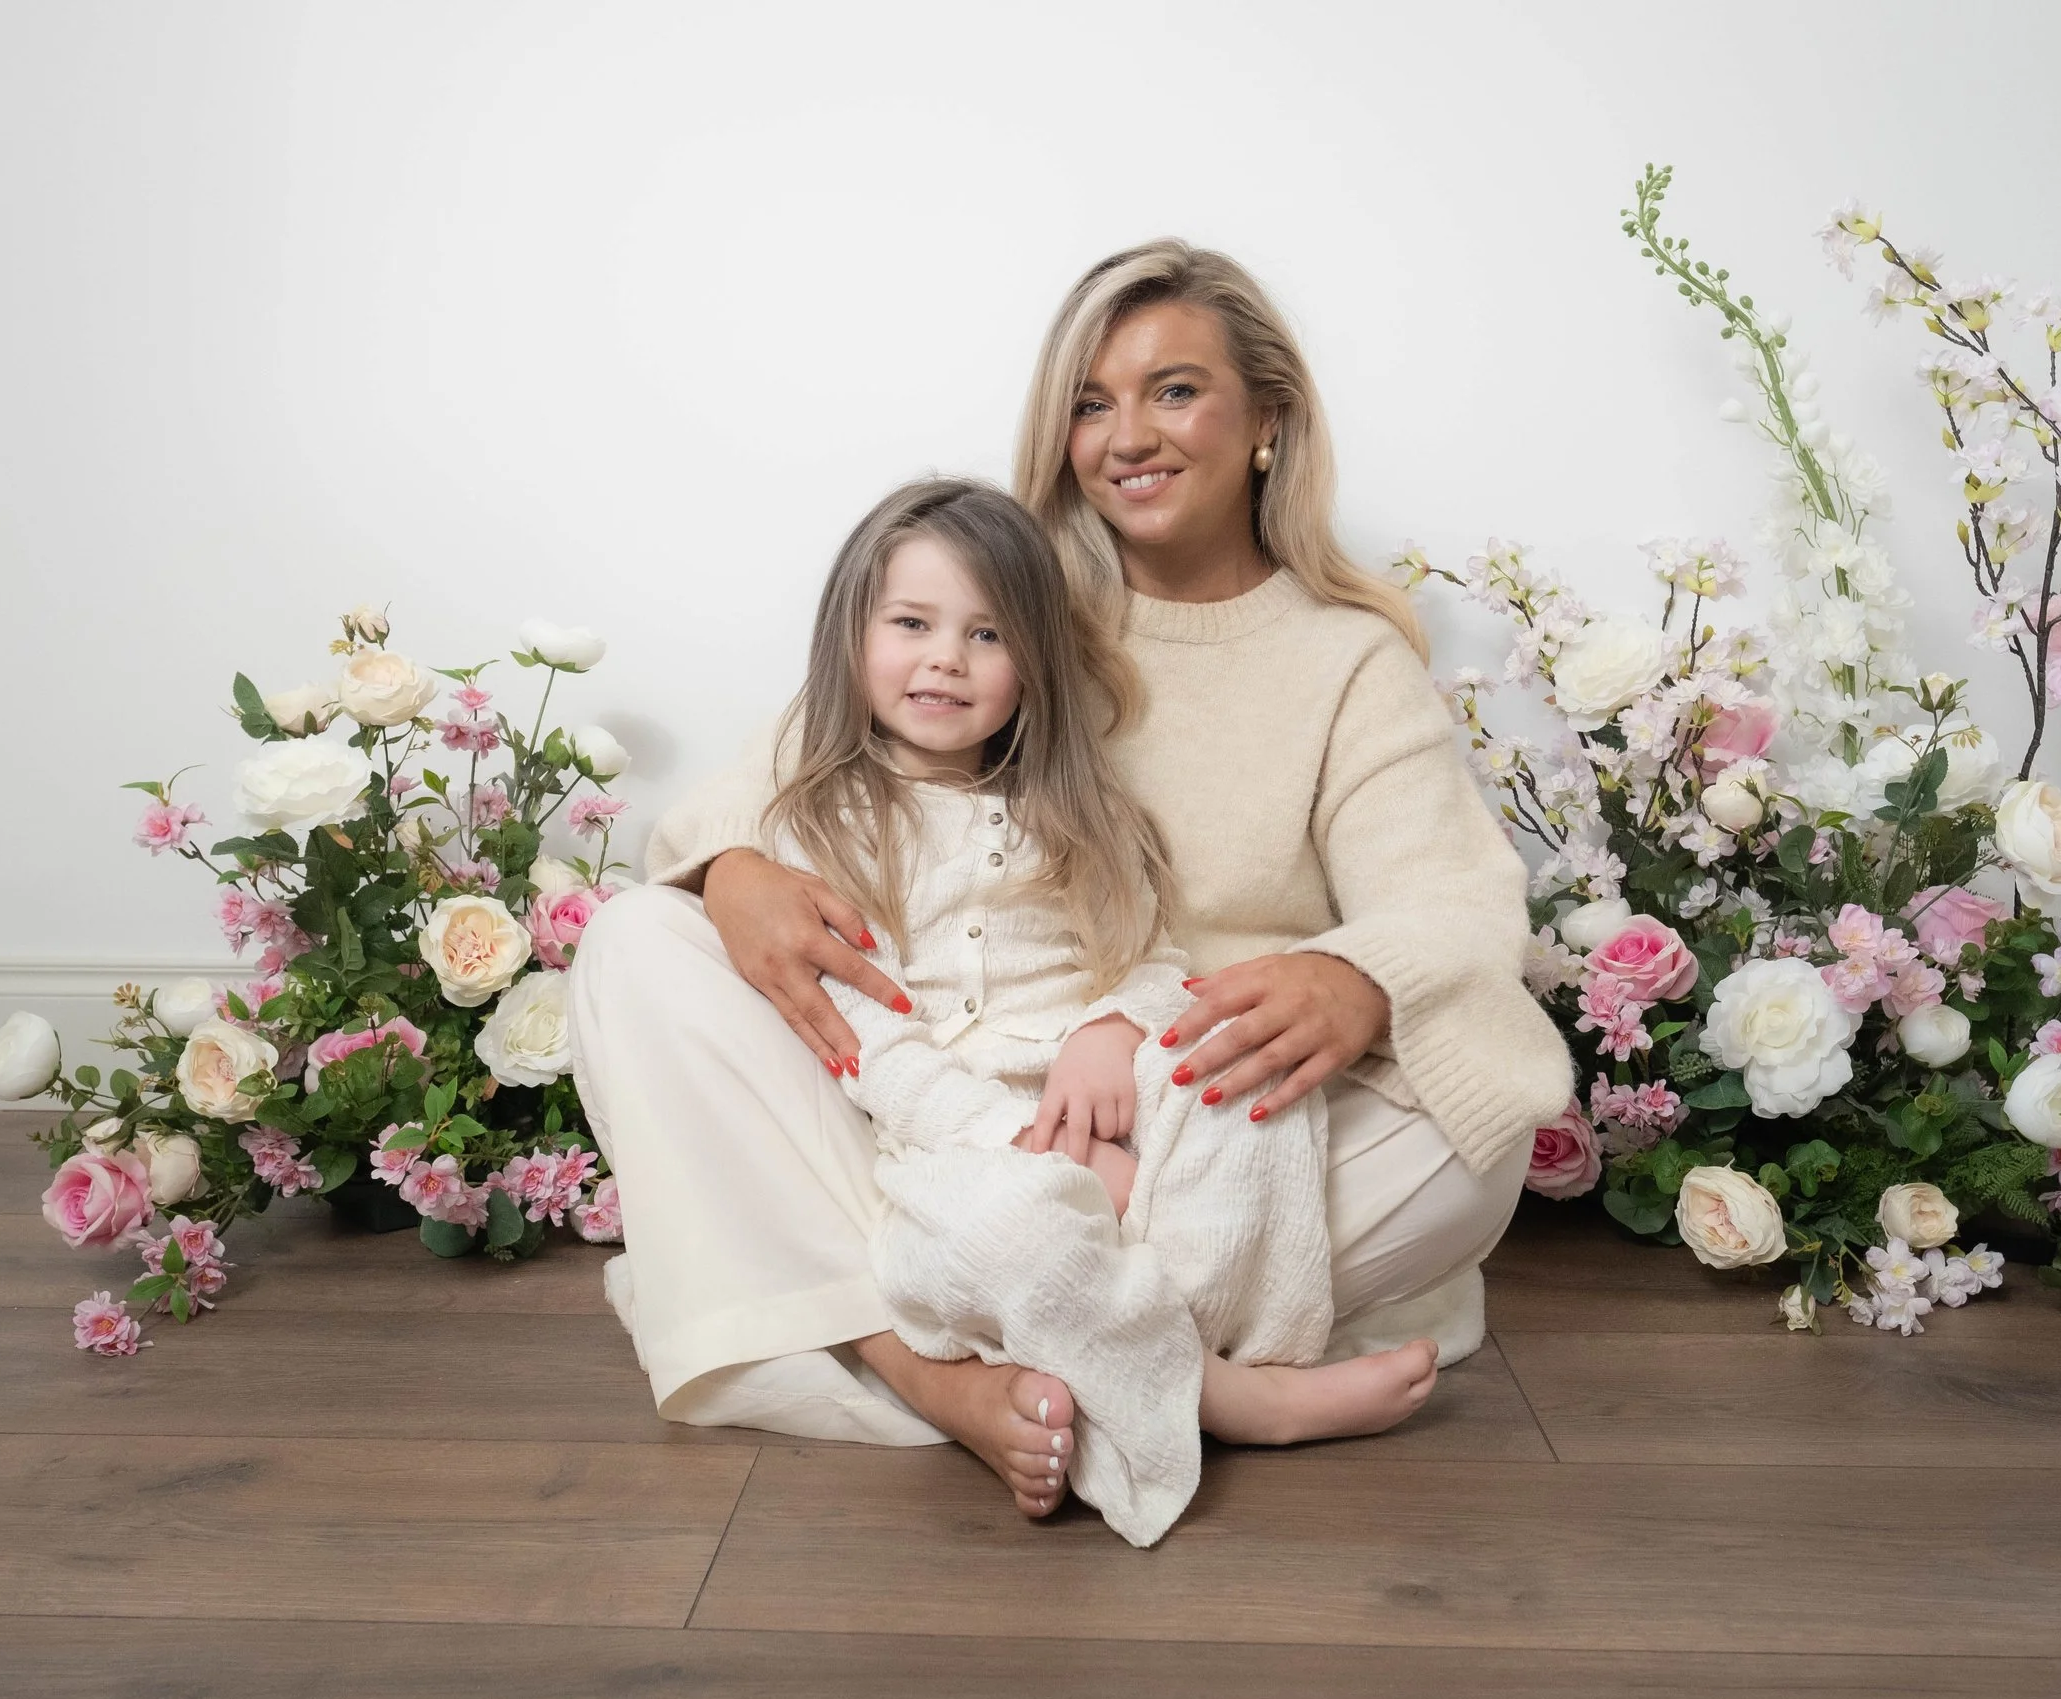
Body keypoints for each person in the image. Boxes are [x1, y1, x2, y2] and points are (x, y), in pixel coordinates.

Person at [568, 239, 1573, 1521]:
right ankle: (955, 1371)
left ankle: (938, 1301)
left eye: (1173, 389)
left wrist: (1349, 976)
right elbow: (782, 768)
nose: (1126, 435)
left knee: (1473, 1134)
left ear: (1267, 419)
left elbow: (1457, 899)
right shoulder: (1014, 598)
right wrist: (735, 874)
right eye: (1090, 402)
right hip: (941, 1086)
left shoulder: (1345, 659)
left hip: (1195, 1106)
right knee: (636, 943)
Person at [769, 474, 1426, 1545]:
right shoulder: (820, 826)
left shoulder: (1075, 814)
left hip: (1099, 1093)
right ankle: (1227, 1398)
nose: (945, 658)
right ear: (851, 637)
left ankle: (1198, 1340)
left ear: (1033, 670)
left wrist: (1112, 1027)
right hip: (957, 1138)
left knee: (1236, 1087)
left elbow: (1153, 960)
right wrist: (1029, 1148)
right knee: (1003, 1232)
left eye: (986, 635)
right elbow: (865, 1041)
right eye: (911, 624)